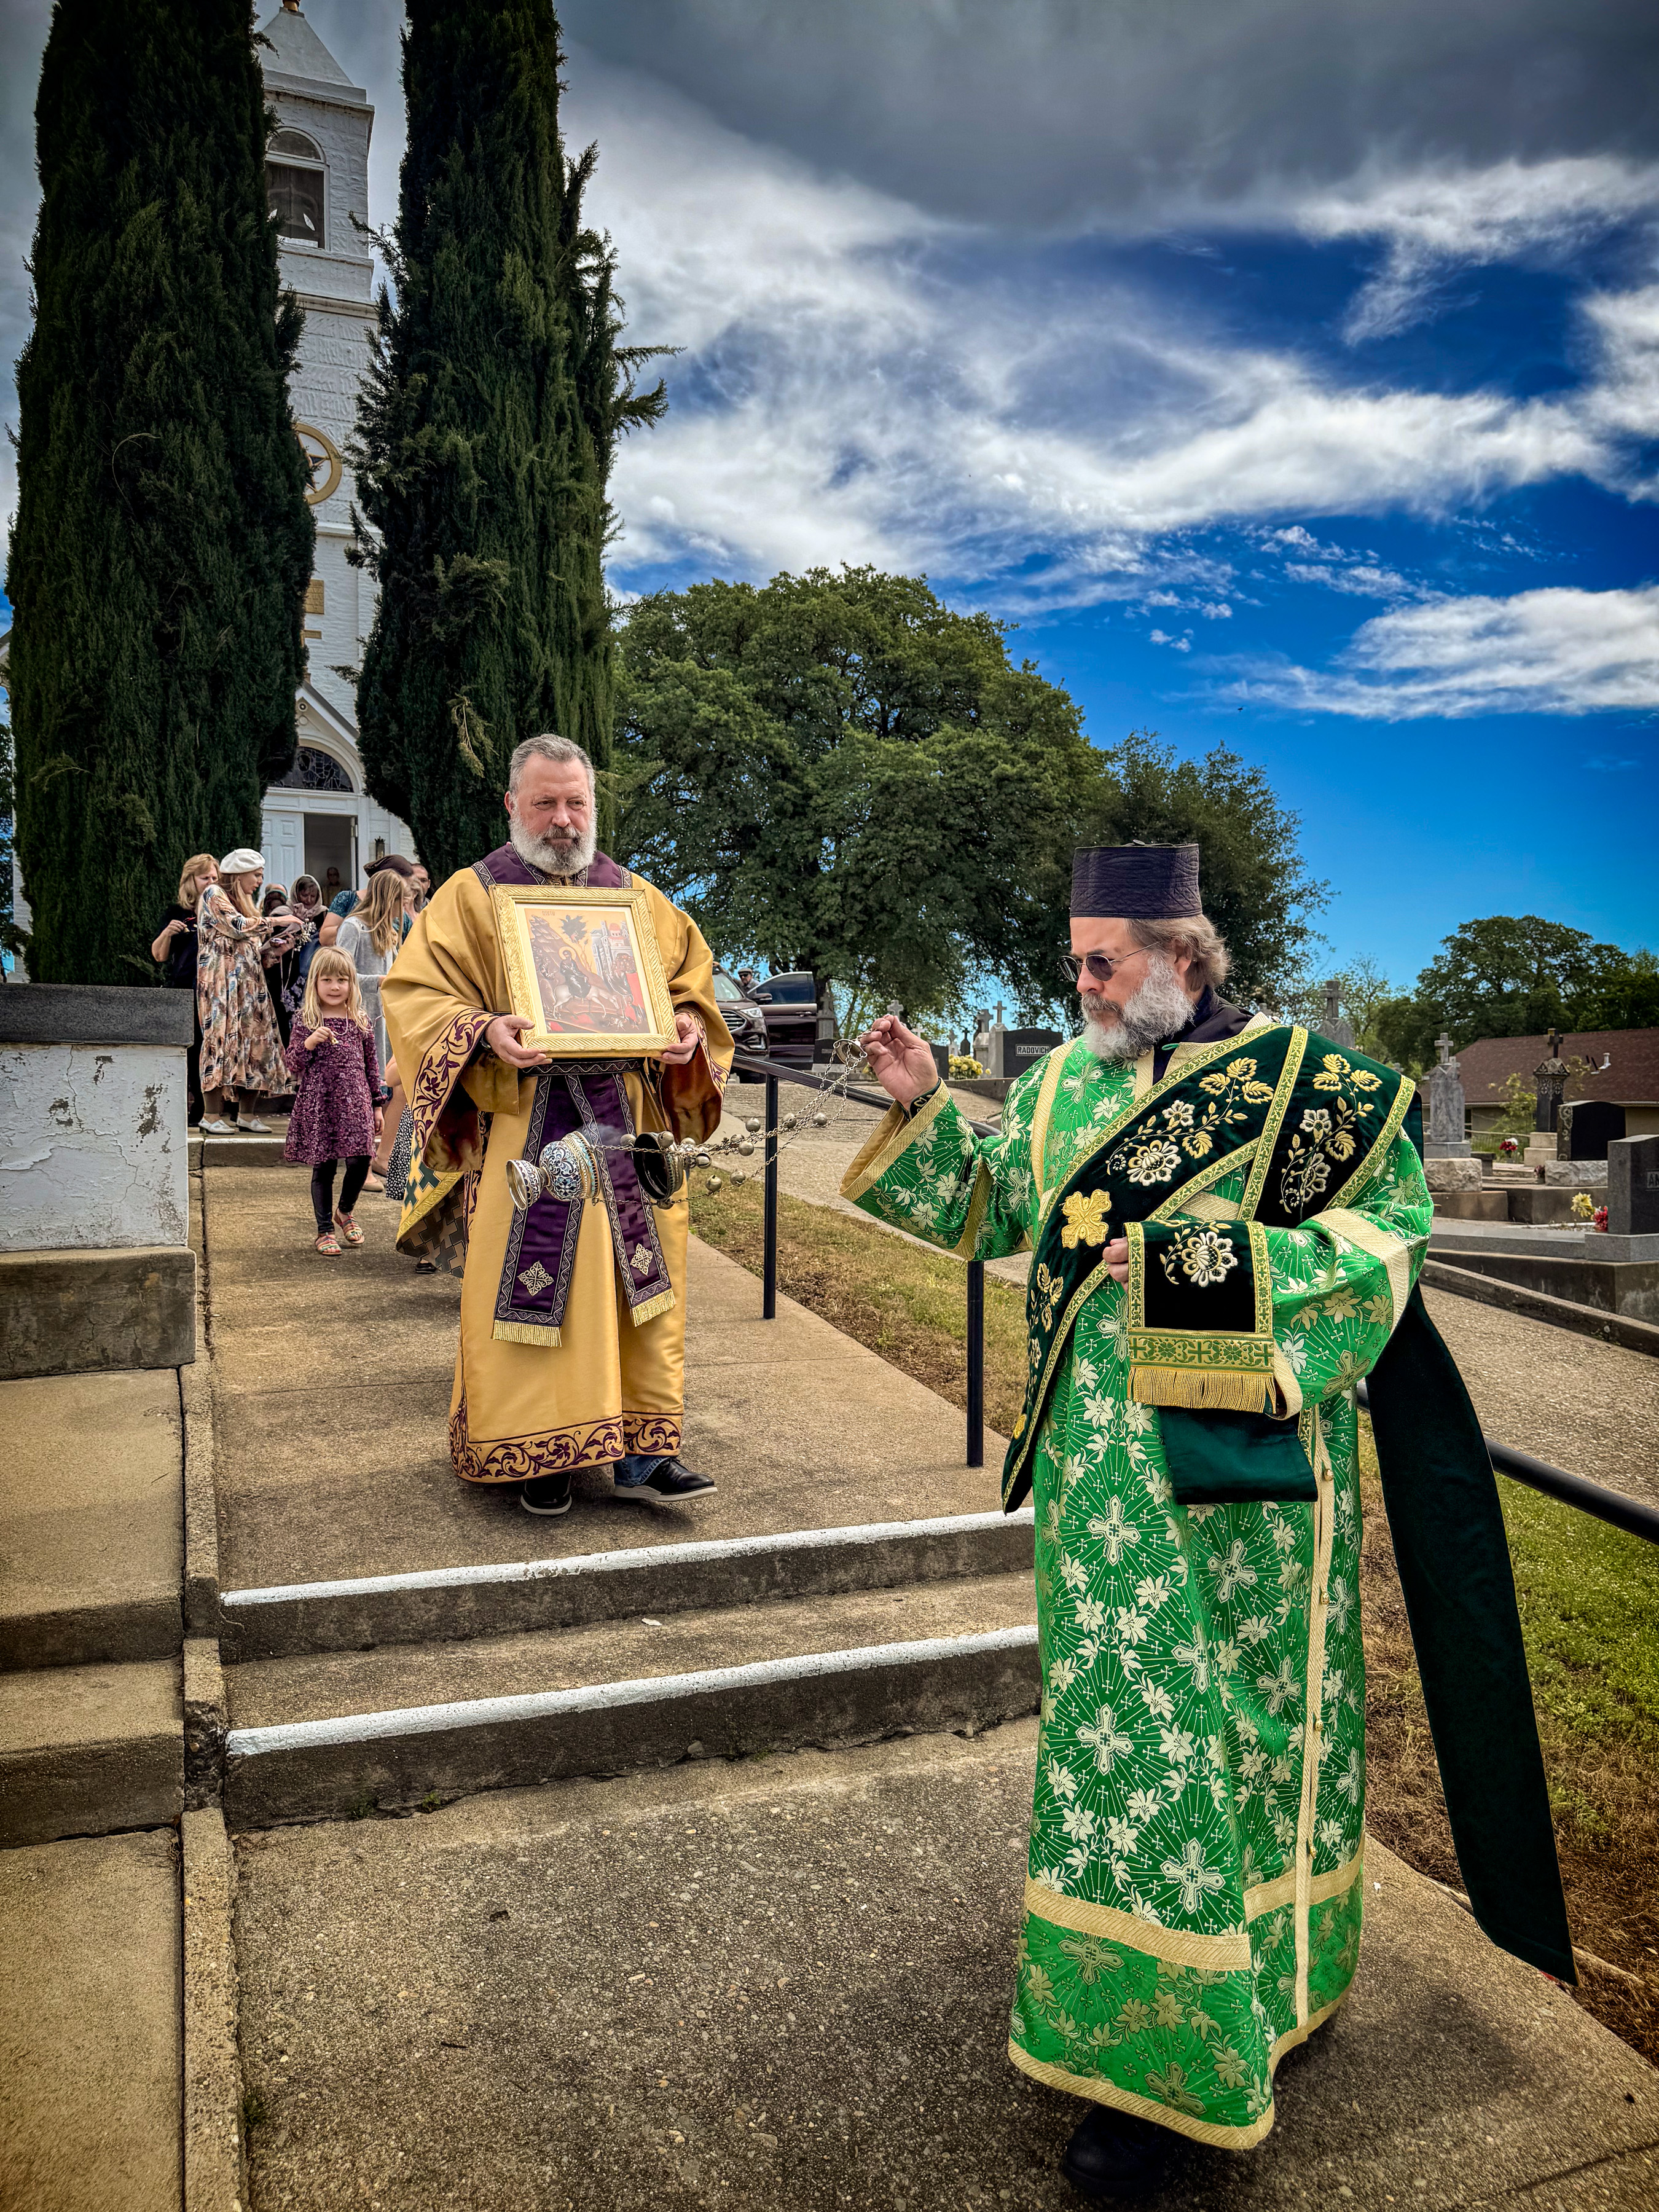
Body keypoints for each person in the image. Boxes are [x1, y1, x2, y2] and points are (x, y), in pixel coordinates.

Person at [845, 842, 1572, 2202]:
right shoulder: (1066, 1079)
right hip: (1096, 1495)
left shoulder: (1320, 1093)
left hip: (1254, 1496)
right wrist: (931, 1105)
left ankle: (1242, 2027)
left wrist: (1203, 1265)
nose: (1081, 985)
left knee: (1240, 1738)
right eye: (1073, 963)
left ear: (1183, 956)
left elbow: (1387, 1247)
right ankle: (1146, 2027)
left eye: (1099, 961)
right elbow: (1006, 1208)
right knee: (1125, 1742)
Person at [380, 732, 735, 1518]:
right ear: (512, 804)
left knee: (638, 1287)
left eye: (577, 802)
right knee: (537, 1289)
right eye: (545, 802)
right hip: (523, 1122)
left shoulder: (637, 898)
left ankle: (646, 1450)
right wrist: (480, 1031)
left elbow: (691, 984)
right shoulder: (470, 898)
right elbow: (416, 995)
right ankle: (536, 1455)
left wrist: (683, 1024)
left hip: (629, 1124)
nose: (564, 820)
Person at [283, 947, 383, 1255]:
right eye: (327, 980)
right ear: (315, 983)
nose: (335, 986)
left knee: (362, 1158)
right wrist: (309, 1042)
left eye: (342, 980)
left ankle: (345, 1211)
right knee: (324, 1167)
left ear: (352, 984)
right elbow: (292, 1063)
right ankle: (324, 1230)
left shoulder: (361, 1021)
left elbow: (372, 1065)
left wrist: (378, 1105)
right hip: (320, 1102)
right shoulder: (306, 1019)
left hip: (356, 1101)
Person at [197, 849, 290, 1134]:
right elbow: (237, 928)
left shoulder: (245, 904)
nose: (260, 881)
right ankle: (211, 1116)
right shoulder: (214, 893)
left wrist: (270, 950)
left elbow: (244, 945)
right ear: (240, 874)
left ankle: (246, 1115)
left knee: (256, 1042)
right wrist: (276, 922)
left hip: (249, 986)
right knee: (220, 1040)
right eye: (257, 875)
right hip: (221, 984)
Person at [152, 852, 217, 1124]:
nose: (211, 882)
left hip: (213, 989)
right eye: (206, 878)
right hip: (183, 989)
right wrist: (168, 932)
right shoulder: (177, 913)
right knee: (189, 1049)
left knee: (208, 1047)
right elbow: (158, 955)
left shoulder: (219, 912)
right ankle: (188, 1106)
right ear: (191, 880)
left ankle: (207, 1107)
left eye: (215, 878)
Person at [318, 853, 418, 948]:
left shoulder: (403, 917)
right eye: (405, 886)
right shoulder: (348, 899)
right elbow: (325, 938)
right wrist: (362, 925)